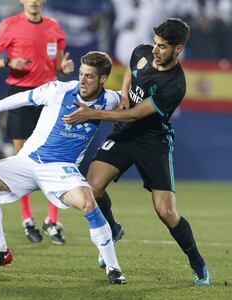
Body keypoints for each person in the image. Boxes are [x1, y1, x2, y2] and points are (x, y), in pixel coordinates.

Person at [63, 18, 211, 286]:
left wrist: (92, 114)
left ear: (178, 49)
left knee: (165, 211)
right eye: (155, 43)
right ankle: (113, 229)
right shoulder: (141, 52)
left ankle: (197, 262)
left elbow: (132, 115)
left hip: (153, 140)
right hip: (125, 135)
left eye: (163, 47)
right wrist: (123, 92)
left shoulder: (174, 85)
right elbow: (131, 72)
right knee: (92, 188)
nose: (155, 50)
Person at [0, 51, 127, 284]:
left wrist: (126, 93)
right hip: (27, 162)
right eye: (81, 74)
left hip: (61, 170)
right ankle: (0, 251)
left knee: (88, 203)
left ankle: (113, 269)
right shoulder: (59, 90)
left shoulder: (111, 100)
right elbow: (24, 97)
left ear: (103, 78)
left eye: (90, 77)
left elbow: (129, 105)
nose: (82, 81)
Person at [0, 0, 74, 244]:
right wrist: (8, 63)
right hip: (21, 99)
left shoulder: (54, 27)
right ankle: (27, 220)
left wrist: (63, 67)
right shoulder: (9, 25)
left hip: (49, 98)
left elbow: (58, 66)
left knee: (56, 158)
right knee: (22, 161)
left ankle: (52, 221)